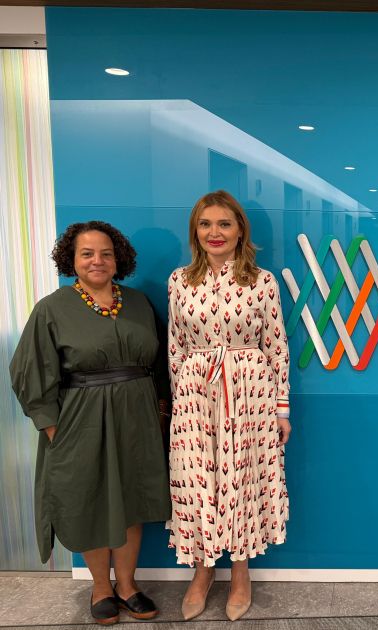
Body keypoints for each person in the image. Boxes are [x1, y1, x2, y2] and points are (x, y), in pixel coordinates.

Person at [9, 221, 170, 625]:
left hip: (137, 421)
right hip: (80, 422)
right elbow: (29, 371)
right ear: (72, 259)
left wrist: (160, 411)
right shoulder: (52, 308)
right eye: (87, 253)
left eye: (106, 253)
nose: (97, 260)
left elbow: (160, 363)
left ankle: (127, 586)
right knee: (91, 502)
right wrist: (54, 430)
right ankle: (101, 588)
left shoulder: (138, 303)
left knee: (131, 501)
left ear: (118, 260)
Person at [166, 190, 291, 622]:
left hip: (250, 390)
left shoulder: (262, 281)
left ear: (240, 230)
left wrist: (281, 410)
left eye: (224, 224)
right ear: (195, 231)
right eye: (205, 224)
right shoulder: (180, 281)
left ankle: (240, 572)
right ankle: (202, 571)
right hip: (196, 393)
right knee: (198, 480)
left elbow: (276, 347)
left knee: (243, 477)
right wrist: (181, 405)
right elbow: (175, 345)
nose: (214, 232)